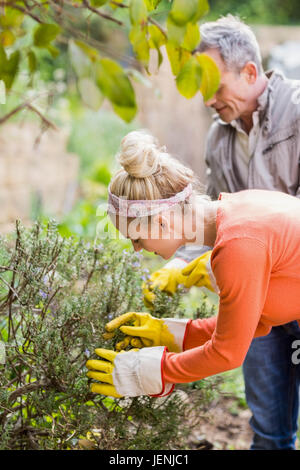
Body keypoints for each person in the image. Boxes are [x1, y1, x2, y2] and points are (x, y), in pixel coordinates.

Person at [142, 16, 300, 450]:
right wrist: (183, 264)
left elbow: (250, 231)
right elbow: (207, 220)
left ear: (250, 72)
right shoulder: (217, 138)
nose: (207, 99)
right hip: (258, 297)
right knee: (269, 429)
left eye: (214, 85)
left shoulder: (299, 112)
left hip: (291, 282)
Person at [86, 131, 300, 443]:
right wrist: (170, 334)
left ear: (160, 222)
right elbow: (255, 325)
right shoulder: (236, 214)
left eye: (135, 237)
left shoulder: (237, 247)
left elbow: (227, 354)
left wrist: (146, 371)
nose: (136, 248)